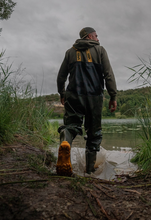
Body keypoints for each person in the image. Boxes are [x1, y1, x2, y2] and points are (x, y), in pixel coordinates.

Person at [56, 27, 117, 176]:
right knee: (94, 133)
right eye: (96, 35)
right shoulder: (100, 50)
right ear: (89, 36)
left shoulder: (70, 52)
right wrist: (113, 96)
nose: (97, 38)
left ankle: (65, 141)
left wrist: (62, 93)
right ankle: (89, 170)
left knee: (71, 126)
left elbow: (61, 76)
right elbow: (108, 75)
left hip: (73, 95)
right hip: (94, 97)